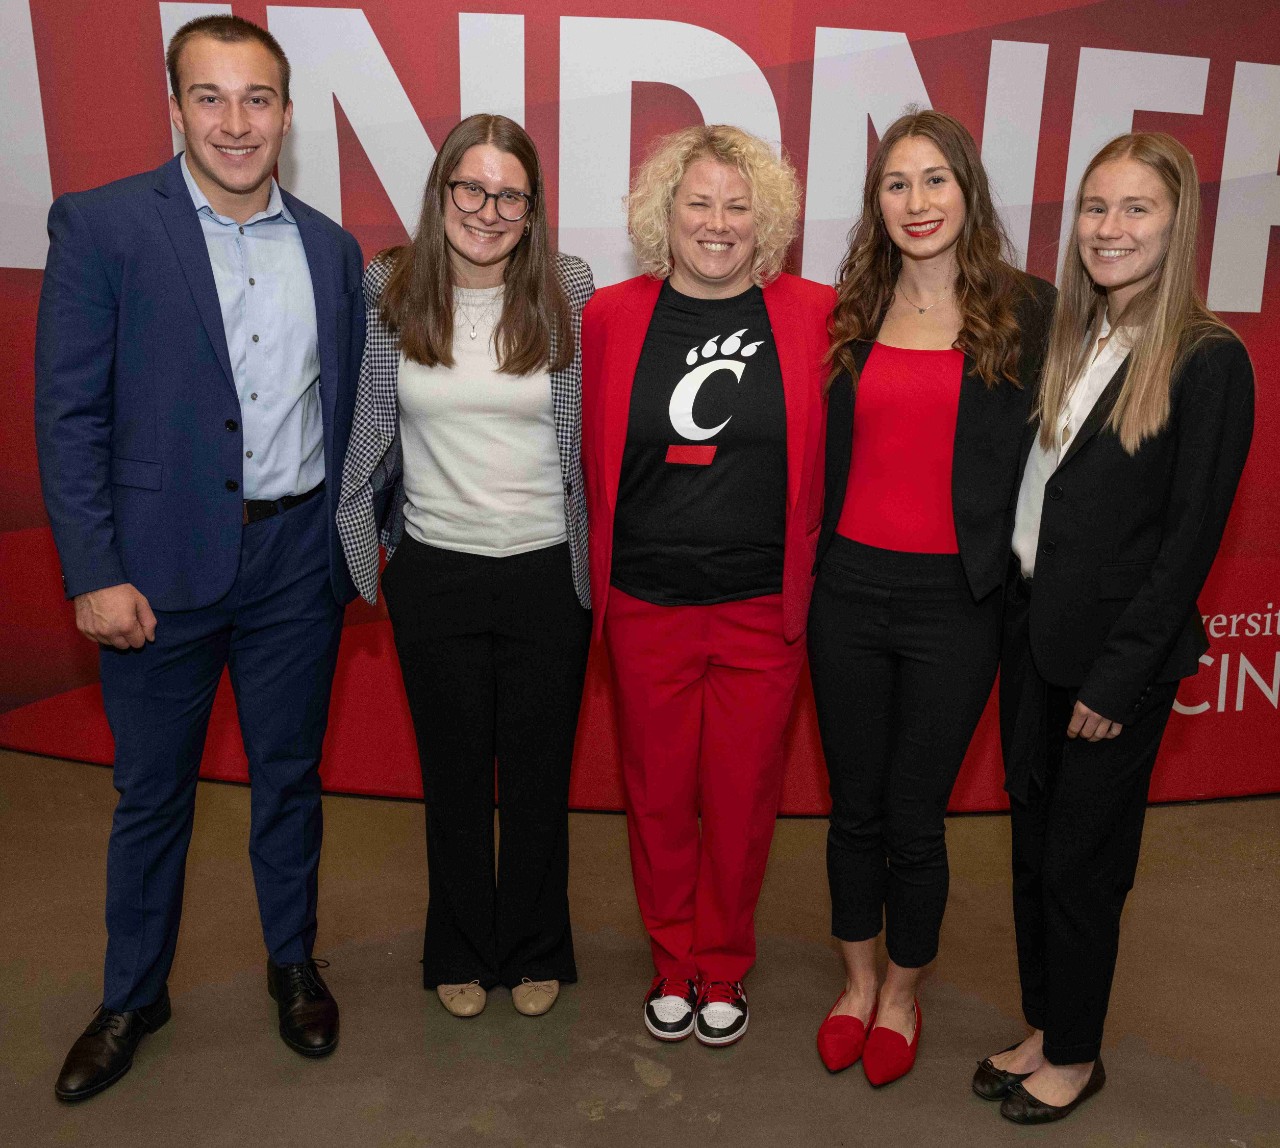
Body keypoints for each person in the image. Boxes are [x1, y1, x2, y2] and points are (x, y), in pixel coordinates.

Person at [35, 15, 365, 1101]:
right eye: (211, 98)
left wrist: (345, 549)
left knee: (289, 781)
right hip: (153, 573)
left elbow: (352, 409)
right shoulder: (103, 225)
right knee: (152, 795)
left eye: (257, 98)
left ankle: (292, 963)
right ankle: (133, 993)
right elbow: (69, 413)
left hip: (293, 563)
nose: (236, 122)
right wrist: (92, 569)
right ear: (173, 107)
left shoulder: (330, 248)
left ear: (285, 113)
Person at [973, 131, 1253, 1123]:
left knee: (1083, 866)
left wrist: (1115, 677)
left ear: (1175, 225)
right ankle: (1045, 1024)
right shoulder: (1074, 335)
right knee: (1033, 851)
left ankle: (1076, 1053)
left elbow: (1186, 547)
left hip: (1105, 667)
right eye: (1095, 207)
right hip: (1032, 638)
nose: (1109, 227)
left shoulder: (1209, 362)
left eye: (1134, 209)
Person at [806, 109, 1055, 1085]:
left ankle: (902, 991)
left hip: (956, 603)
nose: (916, 201)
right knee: (850, 808)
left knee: (914, 812)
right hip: (846, 590)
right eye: (896, 183)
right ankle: (854, 981)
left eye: (934, 180)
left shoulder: (1023, 312)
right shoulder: (850, 309)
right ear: (876, 202)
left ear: (967, 192)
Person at [580, 124, 834, 1047]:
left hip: (764, 609)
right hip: (645, 604)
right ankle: (670, 961)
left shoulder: (816, 313)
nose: (718, 224)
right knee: (655, 797)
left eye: (738, 205)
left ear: (765, 219)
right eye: (700, 203)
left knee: (740, 797)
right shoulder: (609, 317)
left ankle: (722, 964)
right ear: (665, 213)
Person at [336, 114, 593, 1020]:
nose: (488, 210)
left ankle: (533, 947)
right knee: (450, 776)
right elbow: (370, 421)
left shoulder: (567, 289)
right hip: (433, 570)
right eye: (471, 189)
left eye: (509, 195)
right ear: (442, 191)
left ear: (532, 209)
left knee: (535, 777)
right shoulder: (390, 287)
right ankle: (458, 944)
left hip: (546, 574)